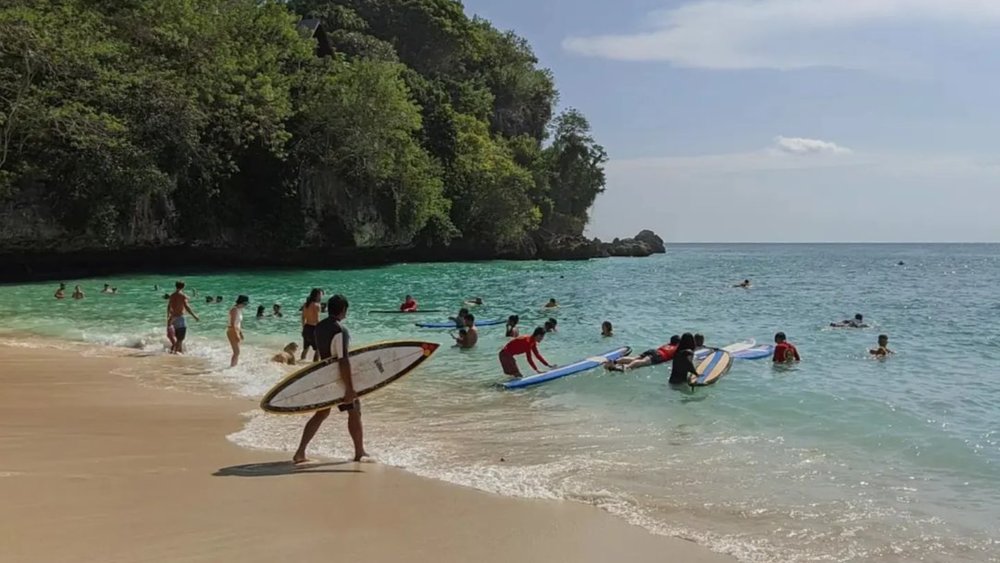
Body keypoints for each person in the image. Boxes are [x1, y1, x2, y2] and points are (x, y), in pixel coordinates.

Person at [293, 295, 368, 464]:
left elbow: (323, 353)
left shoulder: (319, 327)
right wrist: (349, 388)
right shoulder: (340, 330)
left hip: (324, 376)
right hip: (337, 378)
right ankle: (359, 452)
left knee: (322, 413)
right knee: (354, 410)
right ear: (343, 310)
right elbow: (343, 359)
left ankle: (300, 452)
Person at [608, 335, 679, 372]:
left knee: (634, 358)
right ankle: (627, 367)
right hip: (659, 355)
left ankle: (615, 361)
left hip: (653, 351)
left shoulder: (667, 344)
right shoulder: (676, 348)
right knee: (642, 362)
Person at [167, 281, 200, 354]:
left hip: (173, 318)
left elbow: (168, 306)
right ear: (183, 287)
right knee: (180, 338)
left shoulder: (172, 295)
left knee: (177, 338)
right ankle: (176, 352)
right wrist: (194, 316)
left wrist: (168, 317)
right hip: (180, 318)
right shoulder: (182, 296)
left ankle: (178, 352)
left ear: (176, 286)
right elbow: (187, 307)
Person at [300, 288, 323, 361]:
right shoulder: (317, 305)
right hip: (314, 328)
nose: (321, 296)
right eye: (320, 294)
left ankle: (301, 362)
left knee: (305, 349)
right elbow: (317, 319)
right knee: (318, 349)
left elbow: (303, 317)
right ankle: (315, 364)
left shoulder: (306, 304)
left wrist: (303, 328)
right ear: (317, 295)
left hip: (306, 327)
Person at [227, 295, 249, 367]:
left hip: (236, 330)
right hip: (232, 331)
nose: (246, 305)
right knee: (236, 352)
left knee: (237, 352)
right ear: (242, 302)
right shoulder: (234, 310)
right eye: (245, 303)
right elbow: (233, 324)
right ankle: (232, 367)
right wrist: (236, 334)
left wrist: (240, 333)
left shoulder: (239, 310)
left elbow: (238, 323)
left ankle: (234, 366)